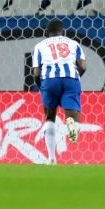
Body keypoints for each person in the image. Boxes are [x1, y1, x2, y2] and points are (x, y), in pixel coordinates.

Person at [32, 19, 86, 165]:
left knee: (49, 117)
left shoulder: (40, 46)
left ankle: (51, 158)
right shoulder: (74, 43)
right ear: (64, 32)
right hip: (70, 78)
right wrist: (74, 78)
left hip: (49, 80)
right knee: (73, 115)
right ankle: (73, 125)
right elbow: (83, 66)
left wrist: (41, 87)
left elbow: (36, 72)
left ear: (46, 33)